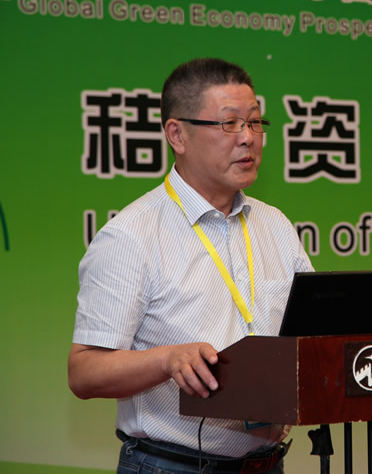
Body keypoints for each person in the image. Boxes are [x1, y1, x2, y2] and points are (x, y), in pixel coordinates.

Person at [69, 58, 313, 474]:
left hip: (267, 465)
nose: (248, 138)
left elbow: (314, 331)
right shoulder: (132, 235)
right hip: (171, 465)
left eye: (255, 122)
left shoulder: (275, 225)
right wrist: (166, 360)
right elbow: (84, 371)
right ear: (177, 135)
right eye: (229, 124)